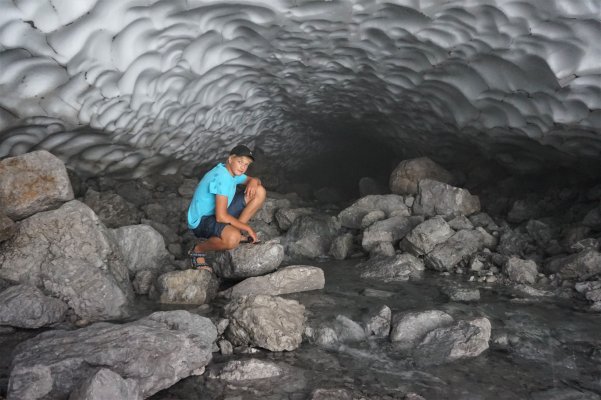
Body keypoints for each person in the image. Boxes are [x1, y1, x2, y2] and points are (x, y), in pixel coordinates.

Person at [187, 144, 266, 272]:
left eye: (246, 164)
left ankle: (235, 231)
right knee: (232, 239)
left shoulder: (230, 172)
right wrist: (247, 228)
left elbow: (254, 180)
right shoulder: (222, 177)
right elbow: (221, 216)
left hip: (217, 211)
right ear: (230, 159)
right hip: (202, 220)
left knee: (259, 191)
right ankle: (197, 250)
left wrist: (254, 180)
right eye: (240, 162)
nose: (243, 167)